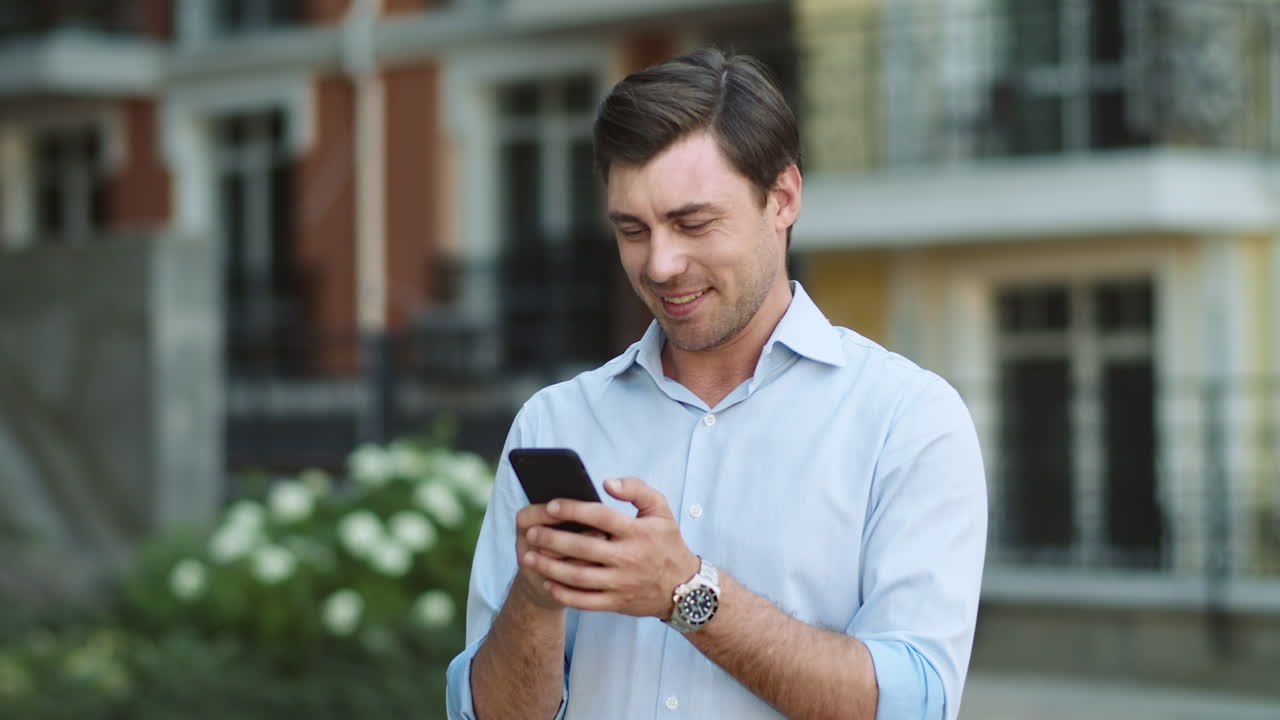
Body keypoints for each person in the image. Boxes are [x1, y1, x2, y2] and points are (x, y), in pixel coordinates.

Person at [446, 48, 987, 720]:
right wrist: (535, 596)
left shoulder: (907, 420)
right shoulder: (554, 423)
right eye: (632, 230)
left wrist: (684, 591)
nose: (661, 263)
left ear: (783, 198)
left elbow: (912, 706)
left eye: (692, 223)